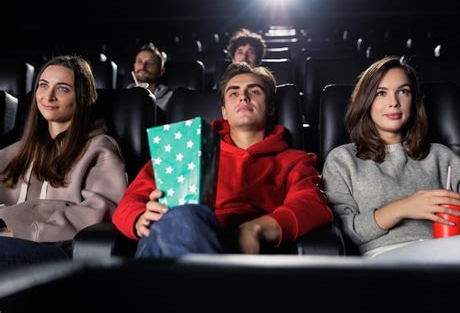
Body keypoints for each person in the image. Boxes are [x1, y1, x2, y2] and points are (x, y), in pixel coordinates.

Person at [112, 62, 333, 257]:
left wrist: (258, 228)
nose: (243, 97)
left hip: (246, 253)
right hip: (172, 239)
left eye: (254, 91)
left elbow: (311, 204)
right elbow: (129, 201)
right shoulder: (187, 148)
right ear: (224, 111)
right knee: (186, 217)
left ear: (271, 107)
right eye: (233, 93)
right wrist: (138, 217)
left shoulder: (294, 160)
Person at [322, 56, 460, 262]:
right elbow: (343, 231)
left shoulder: (441, 155)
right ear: (366, 102)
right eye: (381, 93)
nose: (393, 102)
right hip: (387, 258)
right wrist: (404, 207)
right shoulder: (342, 160)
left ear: (414, 101)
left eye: (403, 91)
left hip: (450, 250)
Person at [0, 55, 127, 268]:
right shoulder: (20, 149)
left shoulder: (99, 147)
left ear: (82, 97)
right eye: (43, 85)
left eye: (62, 89)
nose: (48, 96)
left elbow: (104, 210)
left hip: (59, 247)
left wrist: (17, 232)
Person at [128, 42, 173, 111]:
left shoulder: (170, 98)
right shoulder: (125, 93)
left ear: (161, 71)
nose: (143, 66)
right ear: (134, 66)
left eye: (150, 63)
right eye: (139, 61)